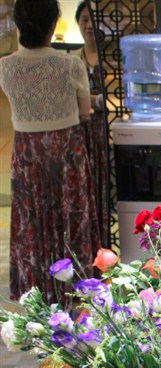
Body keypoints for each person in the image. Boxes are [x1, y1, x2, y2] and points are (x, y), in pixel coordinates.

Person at [0, 0, 101, 305]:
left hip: (26, 152)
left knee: (32, 218)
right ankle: (75, 289)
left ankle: (36, 290)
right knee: (70, 216)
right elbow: (85, 112)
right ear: (54, 24)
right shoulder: (70, 64)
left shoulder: (4, 65)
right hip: (66, 150)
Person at [74, 1, 110, 247]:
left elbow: (117, 99)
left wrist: (92, 101)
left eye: (93, 19)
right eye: (84, 20)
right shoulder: (71, 60)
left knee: (105, 186)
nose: (88, 25)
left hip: (106, 130)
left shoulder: (112, 57)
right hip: (79, 132)